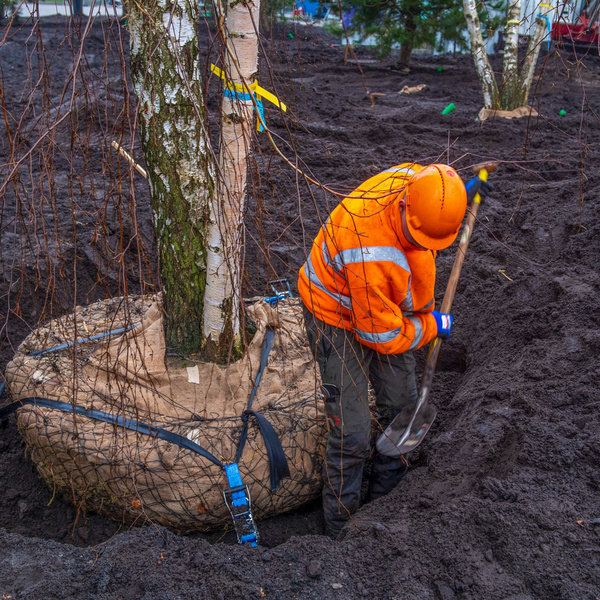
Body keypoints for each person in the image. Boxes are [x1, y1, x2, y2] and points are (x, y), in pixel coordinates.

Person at [298, 162, 492, 537]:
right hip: (334, 313)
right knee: (352, 432)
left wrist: (457, 200)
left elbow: (434, 195)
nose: (425, 248)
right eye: (421, 238)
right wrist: (431, 326)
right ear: (404, 209)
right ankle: (343, 527)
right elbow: (381, 338)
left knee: (404, 408)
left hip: (383, 306)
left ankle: (386, 506)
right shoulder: (371, 249)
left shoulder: (415, 182)